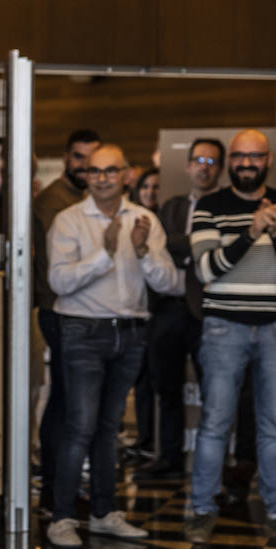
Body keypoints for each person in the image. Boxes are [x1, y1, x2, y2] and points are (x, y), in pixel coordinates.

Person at [44, 144, 183, 549]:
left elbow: (171, 284)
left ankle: (105, 513)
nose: (102, 177)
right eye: (94, 171)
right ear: (85, 176)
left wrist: (141, 252)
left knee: (109, 429)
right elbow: (59, 282)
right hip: (83, 331)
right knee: (80, 425)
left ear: (127, 175)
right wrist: (104, 254)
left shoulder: (146, 220)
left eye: (111, 170)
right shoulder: (69, 221)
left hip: (132, 332)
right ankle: (63, 517)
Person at [187, 130, 276, 536]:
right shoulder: (210, 206)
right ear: (230, 162)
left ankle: (275, 510)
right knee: (215, 422)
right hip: (224, 327)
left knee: (272, 425)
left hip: (274, 327)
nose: (246, 164)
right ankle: (202, 508)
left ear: (268, 159)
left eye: (254, 157)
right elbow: (206, 270)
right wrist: (251, 232)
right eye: (239, 156)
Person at [139, 139, 224, 481]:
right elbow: (164, 248)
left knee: (213, 392)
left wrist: (183, 246)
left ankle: (211, 464)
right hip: (169, 311)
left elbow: (219, 252)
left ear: (220, 168)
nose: (204, 166)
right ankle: (169, 458)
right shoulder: (170, 207)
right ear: (188, 166)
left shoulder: (224, 207)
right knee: (167, 388)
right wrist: (195, 249)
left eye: (211, 161)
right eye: (198, 160)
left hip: (209, 311)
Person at [34, 129, 101, 516]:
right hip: (59, 311)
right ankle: (53, 492)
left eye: (92, 161)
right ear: (66, 158)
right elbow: (51, 271)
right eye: (79, 158)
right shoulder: (52, 203)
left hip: (87, 312)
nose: (85, 167)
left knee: (76, 403)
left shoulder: (91, 200)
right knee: (64, 403)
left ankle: (65, 488)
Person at [127, 167, 161, 458]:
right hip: (134, 312)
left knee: (157, 379)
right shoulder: (131, 221)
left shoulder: (162, 224)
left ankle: (154, 441)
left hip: (160, 311)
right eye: (145, 187)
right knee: (140, 381)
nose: (151, 192)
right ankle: (144, 437)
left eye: (156, 187)